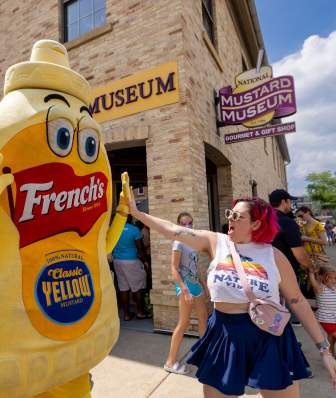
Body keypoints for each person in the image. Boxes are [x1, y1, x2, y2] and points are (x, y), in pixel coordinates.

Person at [127, 190, 336, 397]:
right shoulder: (216, 242)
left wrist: (324, 350)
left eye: (237, 216)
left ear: (255, 224)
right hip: (224, 333)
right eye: (230, 214)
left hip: (269, 336)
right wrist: (137, 213)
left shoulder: (273, 255)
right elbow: (173, 230)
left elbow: (297, 300)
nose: (230, 219)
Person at [164, 212, 209, 375]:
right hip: (185, 286)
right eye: (184, 224)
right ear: (179, 225)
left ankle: (204, 355)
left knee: (203, 317)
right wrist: (184, 288)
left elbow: (196, 267)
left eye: (190, 223)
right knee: (183, 323)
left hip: (196, 284)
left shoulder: (193, 242)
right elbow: (174, 268)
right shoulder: (178, 243)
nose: (188, 226)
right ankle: (170, 362)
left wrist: (204, 285)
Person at [269, 189, 313, 323]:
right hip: (285, 271)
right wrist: (311, 267)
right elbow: (299, 255)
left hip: (264, 270)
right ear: (284, 201)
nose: (291, 205)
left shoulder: (265, 219)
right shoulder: (287, 222)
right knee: (287, 307)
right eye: (289, 202)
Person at [112, 215, 151, 321]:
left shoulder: (113, 229)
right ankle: (140, 312)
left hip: (117, 261)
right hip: (131, 261)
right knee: (139, 287)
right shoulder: (134, 230)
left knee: (123, 287)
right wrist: (145, 261)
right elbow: (140, 248)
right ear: (129, 218)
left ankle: (126, 314)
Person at [309, 266, 336, 357]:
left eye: (335, 278)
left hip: (333, 318)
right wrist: (311, 273)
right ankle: (328, 354)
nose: (334, 281)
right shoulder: (320, 289)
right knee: (333, 335)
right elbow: (313, 282)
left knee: (331, 338)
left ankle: (330, 355)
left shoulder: (333, 289)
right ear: (323, 278)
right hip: (326, 319)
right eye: (330, 278)